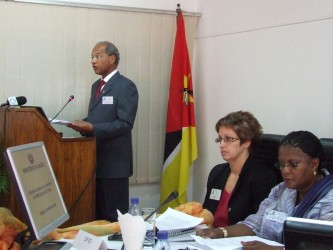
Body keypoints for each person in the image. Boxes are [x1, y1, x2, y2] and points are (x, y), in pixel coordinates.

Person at [197, 130, 333, 249]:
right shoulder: (281, 190)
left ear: (314, 164)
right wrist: (220, 232)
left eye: (293, 165)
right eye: (281, 164)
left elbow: (323, 246)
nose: (285, 170)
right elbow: (255, 223)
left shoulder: (329, 201)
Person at [67, 41, 139, 222]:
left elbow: (125, 123)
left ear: (112, 58)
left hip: (114, 167)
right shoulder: (96, 86)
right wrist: (83, 124)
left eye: (98, 56)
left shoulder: (125, 86)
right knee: (97, 220)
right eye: (92, 57)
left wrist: (93, 128)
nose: (93, 61)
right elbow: (99, 118)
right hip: (94, 163)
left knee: (114, 222)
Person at [203, 111, 279, 227]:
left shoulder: (263, 178)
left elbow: (259, 224)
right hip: (209, 239)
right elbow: (206, 213)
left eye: (228, 139)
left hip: (239, 241)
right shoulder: (217, 172)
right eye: (220, 139)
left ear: (246, 142)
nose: (221, 144)